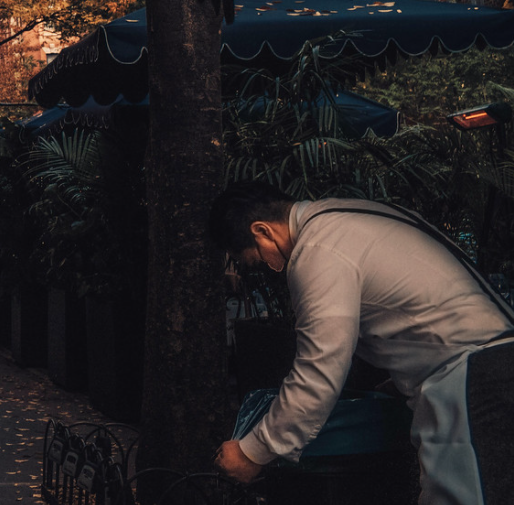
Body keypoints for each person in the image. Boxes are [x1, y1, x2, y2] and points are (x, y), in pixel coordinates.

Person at [208, 182, 514, 505]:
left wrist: (253, 451)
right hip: (494, 360)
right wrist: (400, 382)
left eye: (258, 259)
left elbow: (319, 373)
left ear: (263, 231)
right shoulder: (349, 218)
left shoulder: (317, 250)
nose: (273, 266)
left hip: (471, 376)